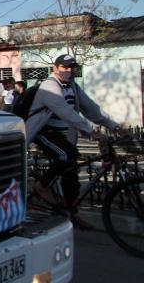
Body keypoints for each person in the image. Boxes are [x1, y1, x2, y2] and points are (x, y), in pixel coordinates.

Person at [25, 54, 119, 229]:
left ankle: (71, 214)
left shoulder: (73, 87)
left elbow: (91, 109)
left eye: (71, 68)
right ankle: (41, 186)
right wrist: (92, 132)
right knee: (68, 154)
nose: (69, 71)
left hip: (65, 136)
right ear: (55, 68)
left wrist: (114, 126)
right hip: (44, 132)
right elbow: (67, 113)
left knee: (71, 175)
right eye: (64, 68)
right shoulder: (49, 87)